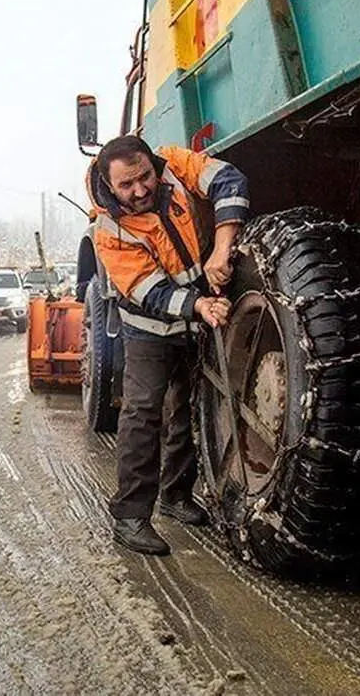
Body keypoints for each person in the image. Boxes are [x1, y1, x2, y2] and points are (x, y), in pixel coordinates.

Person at [87, 134, 249, 556]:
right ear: (109, 184)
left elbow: (229, 179)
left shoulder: (175, 165)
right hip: (149, 331)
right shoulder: (108, 229)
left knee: (187, 407)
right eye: (127, 185)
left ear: (153, 163)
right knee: (143, 414)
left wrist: (222, 247)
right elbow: (151, 293)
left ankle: (175, 496)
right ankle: (129, 515)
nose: (140, 191)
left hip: (196, 317)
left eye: (144, 177)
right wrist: (199, 305)